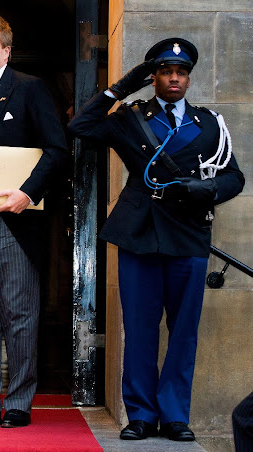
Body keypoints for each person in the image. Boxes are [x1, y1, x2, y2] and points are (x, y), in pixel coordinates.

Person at [68, 38, 244, 441]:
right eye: (166, 72)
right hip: (140, 233)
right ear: (154, 77)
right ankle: (143, 415)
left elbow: (234, 177)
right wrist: (121, 87)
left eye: (181, 72)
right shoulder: (131, 117)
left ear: (189, 77)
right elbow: (81, 126)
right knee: (141, 328)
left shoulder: (209, 122)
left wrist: (203, 189)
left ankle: (175, 415)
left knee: (184, 331)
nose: (174, 78)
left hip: (188, 233)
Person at [0, 16, 68, 428]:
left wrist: (28, 192)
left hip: (17, 216)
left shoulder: (29, 87)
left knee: (18, 311)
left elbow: (57, 150)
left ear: (6, 51)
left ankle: (19, 401)